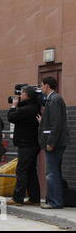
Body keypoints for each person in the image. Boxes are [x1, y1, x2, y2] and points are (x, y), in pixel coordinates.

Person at [38, 76, 70, 209]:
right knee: (54, 171)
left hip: (55, 143)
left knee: (51, 173)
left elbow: (56, 124)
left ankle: (55, 202)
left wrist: (51, 142)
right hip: (57, 141)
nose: (40, 88)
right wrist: (43, 122)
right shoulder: (53, 99)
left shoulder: (55, 99)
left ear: (46, 86)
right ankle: (54, 200)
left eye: (41, 85)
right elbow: (53, 122)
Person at [7, 86, 41, 206]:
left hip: (26, 144)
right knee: (31, 170)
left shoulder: (26, 109)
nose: (19, 96)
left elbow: (11, 117)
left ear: (26, 95)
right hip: (33, 143)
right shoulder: (34, 107)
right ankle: (35, 197)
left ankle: (18, 198)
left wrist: (13, 105)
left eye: (21, 94)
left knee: (21, 170)